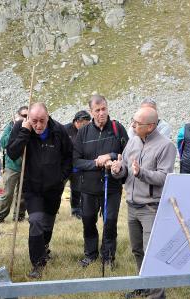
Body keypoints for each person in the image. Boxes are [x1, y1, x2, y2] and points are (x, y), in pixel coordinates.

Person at [111, 107, 176, 299]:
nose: (132, 125)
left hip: (151, 208)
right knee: (137, 250)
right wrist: (117, 169)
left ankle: (156, 295)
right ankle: (143, 287)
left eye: (137, 123)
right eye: (133, 120)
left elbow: (164, 177)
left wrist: (142, 173)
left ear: (150, 126)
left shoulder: (166, 146)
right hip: (132, 206)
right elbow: (125, 170)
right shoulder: (133, 141)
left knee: (151, 254)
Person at [7, 102, 72, 278]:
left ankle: (43, 248)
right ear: (29, 118)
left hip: (54, 188)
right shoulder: (22, 128)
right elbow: (12, 153)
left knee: (48, 224)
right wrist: (25, 132)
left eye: (41, 120)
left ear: (48, 116)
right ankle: (37, 264)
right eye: (34, 121)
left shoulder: (58, 130)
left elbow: (68, 156)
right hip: (32, 187)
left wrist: (61, 177)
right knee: (36, 221)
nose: (38, 125)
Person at [73, 95, 128, 267]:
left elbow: (127, 154)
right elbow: (75, 161)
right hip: (88, 187)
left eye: (104, 108)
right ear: (91, 112)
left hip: (111, 187)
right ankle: (90, 254)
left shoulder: (117, 128)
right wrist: (95, 163)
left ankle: (108, 257)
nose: (101, 113)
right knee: (88, 221)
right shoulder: (83, 132)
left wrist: (112, 157)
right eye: (97, 110)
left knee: (110, 222)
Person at [0, 106, 28, 223]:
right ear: (18, 115)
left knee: (22, 194)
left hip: (26, 166)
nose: (26, 118)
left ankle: (19, 216)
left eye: (28, 116)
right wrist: (16, 130)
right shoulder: (11, 126)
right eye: (24, 116)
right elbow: (3, 143)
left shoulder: (30, 127)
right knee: (8, 194)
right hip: (12, 166)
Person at [64, 110, 91, 218]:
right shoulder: (65, 129)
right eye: (84, 124)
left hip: (77, 166)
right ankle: (52, 209)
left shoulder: (87, 132)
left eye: (88, 124)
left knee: (77, 189)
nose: (86, 126)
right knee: (57, 188)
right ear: (77, 121)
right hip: (65, 165)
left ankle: (76, 210)